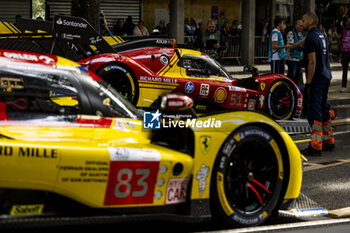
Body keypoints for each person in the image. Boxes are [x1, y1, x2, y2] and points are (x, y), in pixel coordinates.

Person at [302, 12, 334, 156]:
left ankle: (316, 146)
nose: (302, 23)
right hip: (326, 76)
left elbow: (312, 62)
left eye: (303, 20)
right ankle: (328, 141)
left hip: (317, 78)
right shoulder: (321, 36)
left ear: (310, 21)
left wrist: (308, 83)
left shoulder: (310, 38)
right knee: (323, 109)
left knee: (315, 111)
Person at [286, 19, 306, 85]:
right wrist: (302, 40)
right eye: (300, 25)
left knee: (298, 76)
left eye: (302, 26)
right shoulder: (291, 33)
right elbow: (291, 46)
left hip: (299, 58)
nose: (301, 27)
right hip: (292, 58)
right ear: (295, 25)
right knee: (291, 75)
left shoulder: (301, 34)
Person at [340, 17, 350, 92]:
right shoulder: (343, 29)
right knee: (344, 70)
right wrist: (344, 15)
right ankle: (344, 86)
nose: (349, 22)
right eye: (347, 21)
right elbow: (338, 23)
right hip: (344, 53)